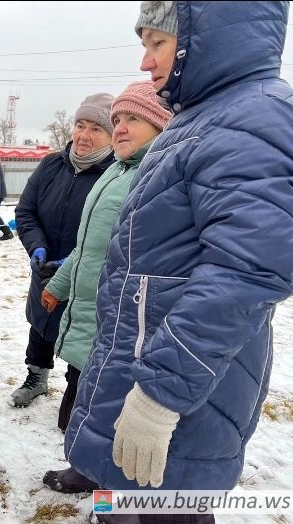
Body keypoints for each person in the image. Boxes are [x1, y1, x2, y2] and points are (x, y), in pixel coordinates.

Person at [63, 2, 293, 520]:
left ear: (205, 36)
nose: (145, 63)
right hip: (140, 370)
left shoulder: (254, 116)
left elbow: (247, 272)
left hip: (178, 394)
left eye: (157, 44)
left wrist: (160, 394)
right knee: (120, 504)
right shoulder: (202, 119)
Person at [40, 80, 172, 494]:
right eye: (116, 119)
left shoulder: (157, 174)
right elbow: (89, 246)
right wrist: (60, 284)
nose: (120, 128)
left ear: (161, 123)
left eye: (132, 118)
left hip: (127, 318)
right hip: (96, 309)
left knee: (111, 403)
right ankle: (91, 468)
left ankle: (111, 489)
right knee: (89, 398)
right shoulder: (117, 170)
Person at [11, 93, 116, 407]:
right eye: (80, 125)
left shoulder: (114, 175)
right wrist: (37, 248)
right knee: (41, 323)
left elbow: (116, 231)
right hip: (44, 266)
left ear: (111, 136)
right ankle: (36, 376)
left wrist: (76, 260)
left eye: (96, 129)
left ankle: (76, 390)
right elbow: (25, 211)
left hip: (85, 273)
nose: (84, 135)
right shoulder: (50, 165)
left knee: (80, 332)